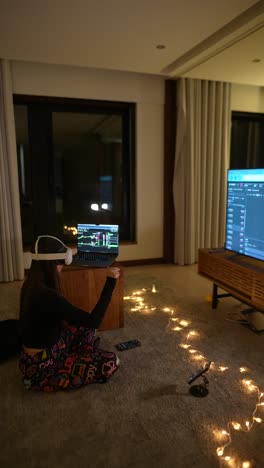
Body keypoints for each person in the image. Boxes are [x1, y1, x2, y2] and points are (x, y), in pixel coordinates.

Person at [19, 235, 120, 392]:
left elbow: (82, 322)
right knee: (111, 361)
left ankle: (78, 355)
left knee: (85, 328)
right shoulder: (49, 296)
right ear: (53, 264)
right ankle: (42, 379)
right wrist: (110, 282)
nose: (62, 269)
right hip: (44, 366)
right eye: (60, 265)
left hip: (38, 353)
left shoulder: (31, 285)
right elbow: (94, 321)